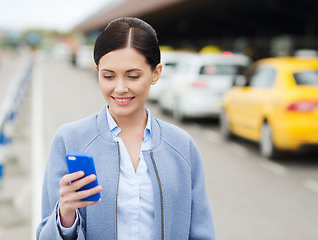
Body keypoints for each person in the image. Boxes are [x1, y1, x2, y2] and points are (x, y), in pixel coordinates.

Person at [36, 17, 215, 240]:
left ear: (156, 73)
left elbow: (201, 232)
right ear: (97, 71)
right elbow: (45, 234)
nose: (120, 88)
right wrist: (65, 216)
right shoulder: (69, 139)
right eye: (108, 76)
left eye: (133, 76)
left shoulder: (181, 145)